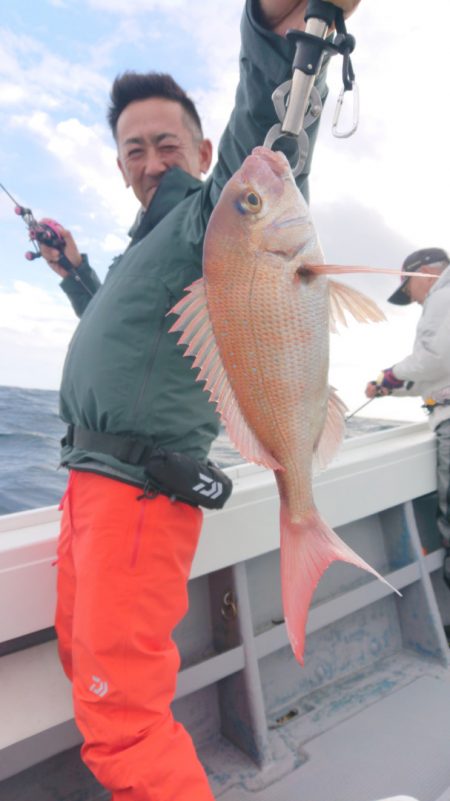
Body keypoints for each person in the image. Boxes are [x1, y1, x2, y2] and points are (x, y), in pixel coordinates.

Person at [38, 2, 360, 799]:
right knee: (90, 672)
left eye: (166, 142)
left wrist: (277, 27)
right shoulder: (145, 250)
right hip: (87, 491)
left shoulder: (205, 221)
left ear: (204, 149)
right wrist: (77, 271)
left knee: (126, 724)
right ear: (118, 165)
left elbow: (269, 133)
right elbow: (131, 343)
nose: (150, 159)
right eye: (133, 148)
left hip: (137, 496)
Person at [365, 247, 450, 589]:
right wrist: (392, 387)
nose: (411, 299)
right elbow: (436, 375)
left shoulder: (442, 295)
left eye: (407, 288)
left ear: (424, 272)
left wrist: (391, 375)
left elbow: (435, 360)